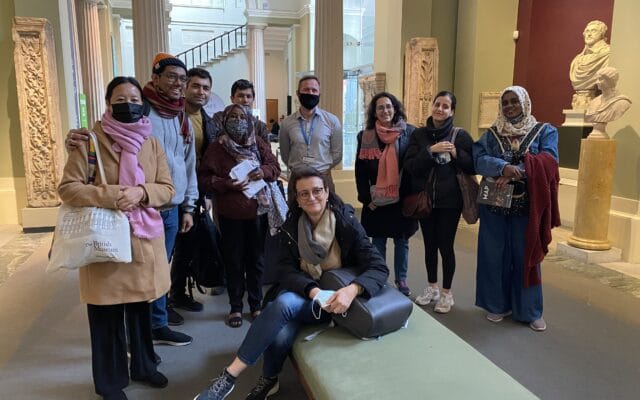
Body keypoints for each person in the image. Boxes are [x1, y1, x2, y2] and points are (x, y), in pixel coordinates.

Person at [192, 166, 388, 400]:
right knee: (281, 332)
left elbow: (379, 266)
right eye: (304, 193)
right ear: (296, 198)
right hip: (307, 296)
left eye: (317, 191)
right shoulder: (291, 226)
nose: (311, 197)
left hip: (337, 302)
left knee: (283, 305)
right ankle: (267, 379)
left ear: (327, 191)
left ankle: (229, 376)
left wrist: (352, 290)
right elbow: (284, 271)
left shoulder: (346, 223)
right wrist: (313, 291)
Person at [64, 53, 196, 346]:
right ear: (155, 79)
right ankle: (123, 346)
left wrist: (188, 203)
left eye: (182, 79)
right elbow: (76, 178)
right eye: (172, 77)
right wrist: (116, 193)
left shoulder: (181, 115)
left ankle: (155, 328)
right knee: (116, 285)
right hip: (114, 215)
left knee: (154, 276)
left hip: (163, 207)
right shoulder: (130, 115)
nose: (178, 84)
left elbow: (186, 164)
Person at [58, 76, 175, 400]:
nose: (129, 105)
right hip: (105, 241)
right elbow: (67, 188)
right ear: (108, 104)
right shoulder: (89, 141)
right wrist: (112, 195)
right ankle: (110, 383)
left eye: (134, 100)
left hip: (142, 239)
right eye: (120, 100)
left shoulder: (151, 141)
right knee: (106, 315)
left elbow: (166, 188)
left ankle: (144, 366)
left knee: (140, 310)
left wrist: (141, 191)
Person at [473, 85, 559, 332]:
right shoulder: (491, 134)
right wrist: (502, 168)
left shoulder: (545, 131)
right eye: (505, 103)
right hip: (495, 207)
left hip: (527, 208)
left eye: (514, 101)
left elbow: (550, 160)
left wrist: (516, 172)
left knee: (526, 255)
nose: (510, 106)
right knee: (494, 254)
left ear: (525, 102)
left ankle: (529, 310)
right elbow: (478, 159)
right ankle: (496, 305)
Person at [198, 104, 281, 328]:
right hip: (230, 215)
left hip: (257, 214)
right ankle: (235, 306)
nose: (237, 121)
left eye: (241, 117)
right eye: (232, 117)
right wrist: (226, 183)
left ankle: (256, 305)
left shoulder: (258, 143)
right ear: (224, 121)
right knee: (233, 262)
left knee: (256, 261)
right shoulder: (217, 148)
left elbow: (274, 167)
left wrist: (263, 171)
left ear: (249, 120)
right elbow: (204, 179)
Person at [404, 91, 475, 313]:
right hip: (426, 200)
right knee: (429, 246)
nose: (440, 109)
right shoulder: (419, 135)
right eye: (437, 104)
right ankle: (432, 287)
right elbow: (410, 166)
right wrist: (430, 151)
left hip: (450, 202)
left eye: (445, 106)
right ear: (431, 106)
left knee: (446, 246)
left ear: (452, 111)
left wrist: (455, 153)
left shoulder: (460, 136)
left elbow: (473, 166)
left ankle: (446, 293)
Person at [169, 67, 225, 312]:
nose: (201, 92)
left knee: (188, 244)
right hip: (170, 190)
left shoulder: (208, 121)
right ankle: (163, 301)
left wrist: (208, 194)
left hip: (197, 191)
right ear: (185, 87)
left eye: (206, 88)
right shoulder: (170, 116)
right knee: (168, 248)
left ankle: (178, 292)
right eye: (196, 86)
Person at [355, 92, 418, 296]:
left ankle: (401, 279)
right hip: (376, 200)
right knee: (378, 241)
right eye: (380, 107)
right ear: (374, 112)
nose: (385, 111)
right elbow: (360, 171)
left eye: (389, 106)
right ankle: (379, 276)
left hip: (401, 198)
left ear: (395, 108)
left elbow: (413, 166)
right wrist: (367, 199)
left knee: (402, 241)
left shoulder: (409, 132)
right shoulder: (365, 136)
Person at [279, 75, 343, 199]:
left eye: (314, 90)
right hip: (297, 180)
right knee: (295, 217)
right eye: (306, 90)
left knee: (327, 217)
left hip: (323, 178)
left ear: (319, 94)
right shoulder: (287, 123)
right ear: (298, 93)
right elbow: (285, 155)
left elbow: (337, 154)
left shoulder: (332, 121)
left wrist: (321, 167)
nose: (310, 93)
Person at [209, 79, 269, 143]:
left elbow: (267, 150)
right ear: (232, 99)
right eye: (240, 96)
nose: (245, 100)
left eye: (248, 96)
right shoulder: (219, 119)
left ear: (253, 99)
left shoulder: (260, 126)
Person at [569, 20, 610, 109]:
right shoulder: (577, 60)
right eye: (587, 31)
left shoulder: (607, 54)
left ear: (601, 34)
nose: (589, 34)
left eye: (594, 31)